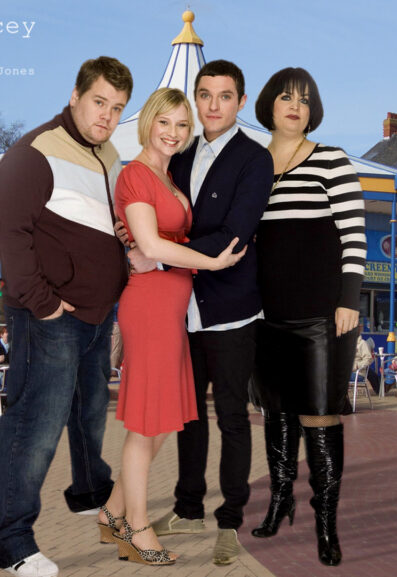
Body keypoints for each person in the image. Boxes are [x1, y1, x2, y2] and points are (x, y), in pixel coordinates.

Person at [0, 56, 133, 577]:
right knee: (35, 424)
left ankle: (90, 491)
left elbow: (105, 222)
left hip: (97, 315)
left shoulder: (110, 154)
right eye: (99, 103)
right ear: (75, 95)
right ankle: (10, 540)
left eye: (117, 109)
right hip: (50, 316)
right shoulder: (33, 152)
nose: (107, 117)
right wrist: (43, 303)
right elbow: (12, 235)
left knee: (90, 412)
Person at [97, 87, 246, 566]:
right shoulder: (135, 174)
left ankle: (113, 512)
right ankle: (137, 530)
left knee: (161, 423)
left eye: (183, 125)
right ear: (149, 123)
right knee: (145, 426)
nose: (174, 133)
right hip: (150, 308)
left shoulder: (169, 174)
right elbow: (152, 246)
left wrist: (155, 247)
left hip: (171, 311)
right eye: (166, 123)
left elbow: (155, 242)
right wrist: (211, 262)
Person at [143, 60, 273, 567]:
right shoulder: (181, 154)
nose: (213, 105)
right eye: (205, 95)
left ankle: (230, 520)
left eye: (224, 96)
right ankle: (188, 507)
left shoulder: (253, 159)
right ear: (194, 101)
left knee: (232, 416)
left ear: (240, 102)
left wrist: (161, 251)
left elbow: (237, 235)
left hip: (232, 309)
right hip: (182, 306)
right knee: (187, 414)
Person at [249, 67, 366, 566]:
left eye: (304, 98)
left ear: (312, 108)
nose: (294, 105)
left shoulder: (331, 160)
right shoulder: (251, 166)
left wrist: (348, 300)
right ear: (269, 106)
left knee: (320, 415)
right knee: (275, 412)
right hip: (263, 315)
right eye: (285, 97)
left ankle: (325, 522)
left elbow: (354, 235)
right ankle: (280, 500)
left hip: (321, 315)